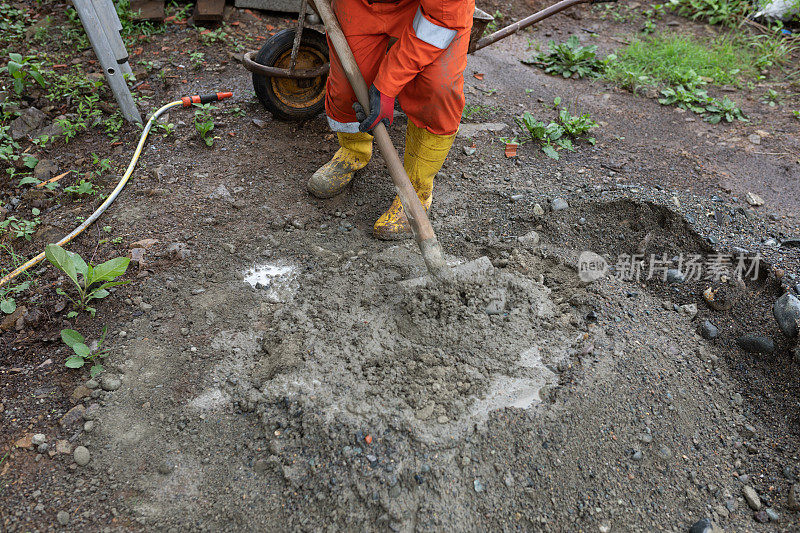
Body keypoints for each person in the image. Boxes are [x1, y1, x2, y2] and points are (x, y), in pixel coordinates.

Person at [307, 0, 475, 239]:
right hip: (360, 3)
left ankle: (416, 190)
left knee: (438, 89)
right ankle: (353, 151)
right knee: (348, 84)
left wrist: (386, 85)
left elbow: (443, 19)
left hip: (437, 12)